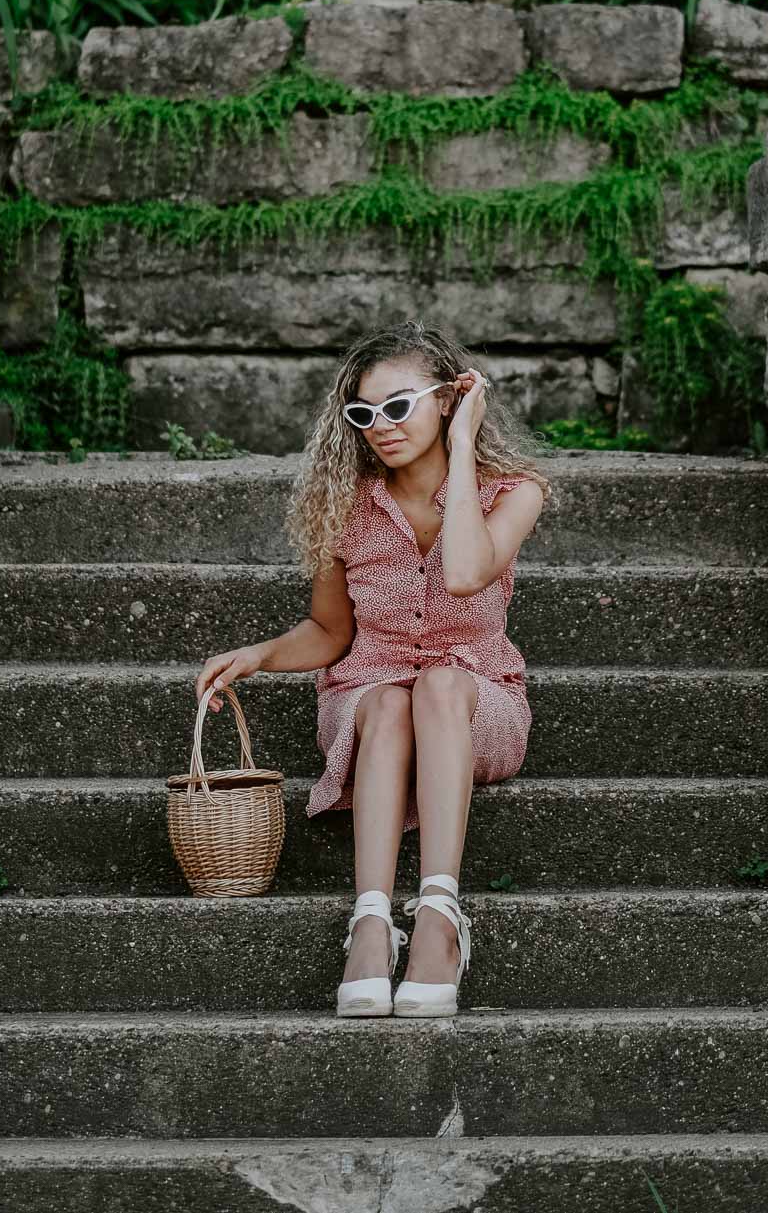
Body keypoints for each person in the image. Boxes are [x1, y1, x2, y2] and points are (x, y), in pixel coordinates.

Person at [194, 321, 554, 1018]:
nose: (380, 426)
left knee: (438, 683)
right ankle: (369, 923)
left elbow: (464, 572)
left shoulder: (513, 492)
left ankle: (440, 921)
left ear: (450, 398)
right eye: (363, 413)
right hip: (369, 698)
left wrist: (459, 450)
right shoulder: (344, 505)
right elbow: (332, 632)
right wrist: (260, 655)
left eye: (399, 405)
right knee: (391, 698)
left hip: (477, 698)